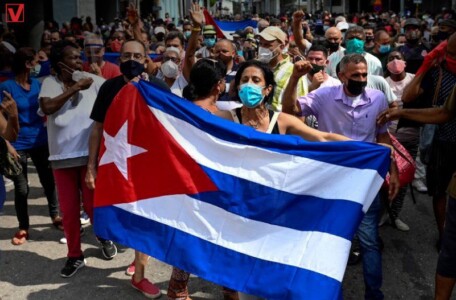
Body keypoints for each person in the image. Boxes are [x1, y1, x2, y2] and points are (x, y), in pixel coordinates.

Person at [214, 60, 351, 299]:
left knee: (273, 275)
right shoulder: (225, 118)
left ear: (267, 89)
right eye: (244, 80)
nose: (249, 85)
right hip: (238, 210)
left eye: (256, 80)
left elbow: (323, 137)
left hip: (276, 212)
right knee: (241, 280)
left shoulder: (282, 121)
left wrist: (370, 148)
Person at [282, 54, 399, 300]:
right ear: (342, 75)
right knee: (327, 240)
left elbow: (383, 138)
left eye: (364, 75)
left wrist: (393, 169)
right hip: (330, 179)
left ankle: (374, 294)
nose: (361, 79)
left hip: (365, 180)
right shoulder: (324, 96)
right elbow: (289, 110)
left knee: (369, 241)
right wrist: (294, 78)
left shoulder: (377, 99)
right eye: (355, 75)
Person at [86, 39, 170, 299]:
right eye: (126, 55)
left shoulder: (156, 87)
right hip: (116, 163)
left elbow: (169, 127)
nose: (131, 60)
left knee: (144, 216)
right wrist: (91, 167)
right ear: (119, 58)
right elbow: (97, 128)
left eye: (137, 55)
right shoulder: (108, 88)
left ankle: (139, 274)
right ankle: (136, 255)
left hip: (147, 165)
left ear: (146, 59)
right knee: (122, 214)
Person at [38, 40, 116, 278]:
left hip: (88, 157)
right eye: (73, 58)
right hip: (61, 158)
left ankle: (103, 237)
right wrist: (74, 88)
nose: (79, 61)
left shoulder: (89, 79)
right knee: (70, 212)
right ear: (61, 64)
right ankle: (74, 256)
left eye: (79, 56)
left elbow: (115, 90)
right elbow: (48, 107)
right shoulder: (49, 83)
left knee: (93, 208)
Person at [0, 47, 61, 245]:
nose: (38, 66)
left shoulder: (37, 85)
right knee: (22, 188)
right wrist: (7, 143)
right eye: (35, 61)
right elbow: (1, 118)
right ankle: (23, 226)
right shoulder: (6, 87)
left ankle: (55, 215)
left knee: (48, 181)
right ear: (27, 64)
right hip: (18, 144)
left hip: (41, 141)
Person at [400, 33, 456, 248]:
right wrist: (425, 67)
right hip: (441, 139)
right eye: (446, 52)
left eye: (453, 54)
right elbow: (408, 97)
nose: (448, 56)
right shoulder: (437, 70)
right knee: (439, 190)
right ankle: (445, 235)